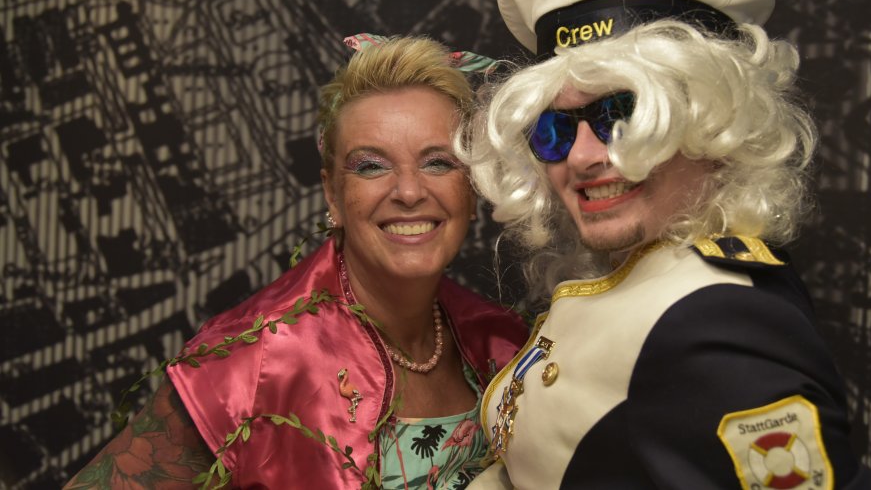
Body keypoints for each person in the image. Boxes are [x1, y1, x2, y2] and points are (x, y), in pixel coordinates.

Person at [462, 0, 871, 489]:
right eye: (554, 129)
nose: (581, 157)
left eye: (626, 116)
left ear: (716, 126)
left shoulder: (717, 319)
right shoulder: (647, 278)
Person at [64, 35, 528, 489]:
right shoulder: (255, 360)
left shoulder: (505, 343)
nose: (408, 191)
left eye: (438, 163)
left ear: (472, 187)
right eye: (371, 166)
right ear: (333, 194)